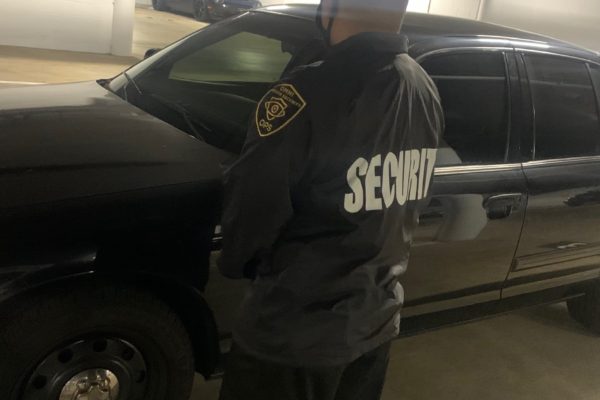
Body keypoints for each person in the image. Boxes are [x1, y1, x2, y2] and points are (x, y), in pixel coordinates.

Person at [218, 0, 444, 398]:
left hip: (294, 335)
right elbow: (409, 198)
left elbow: (253, 208)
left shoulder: (306, 92)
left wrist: (239, 262)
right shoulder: (423, 87)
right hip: (375, 321)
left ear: (333, 8)